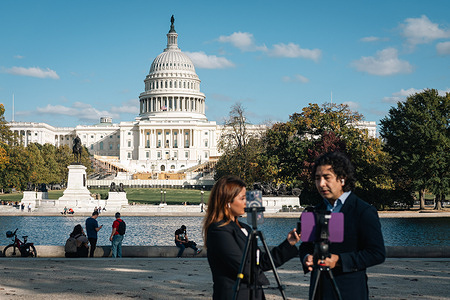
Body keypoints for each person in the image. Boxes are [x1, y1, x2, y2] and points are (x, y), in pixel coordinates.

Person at [299, 151, 386, 300]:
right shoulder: (313, 211)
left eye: (327, 178)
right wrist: (307, 257)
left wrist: (338, 260)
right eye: (317, 178)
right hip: (319, 291)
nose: (321, 184)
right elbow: (305, 246)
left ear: (342, 179)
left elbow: (377, 253)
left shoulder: (363, 211)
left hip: (349, 291)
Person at [203, 175, 300, 300]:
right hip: (234, 295)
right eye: (242, 198)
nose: (247, 202)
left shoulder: (246, 228)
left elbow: (262, 262)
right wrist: (263, 279)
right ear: (227, 202)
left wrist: (288, 244)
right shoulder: (218, 230)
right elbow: (241, 266)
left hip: (254, 294)